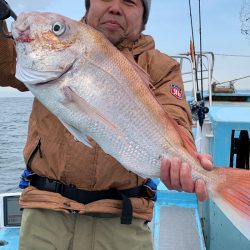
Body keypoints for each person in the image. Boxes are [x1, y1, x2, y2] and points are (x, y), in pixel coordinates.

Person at [0, 0, 212, 249]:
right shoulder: (53, 45)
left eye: (130, 1)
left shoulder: (162, 68)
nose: (115, 7)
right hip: (45, 212)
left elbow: (175, 118)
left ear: (143, 16)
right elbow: (5, 64)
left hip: (122, 219)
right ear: (88, 5)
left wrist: (184, 163)